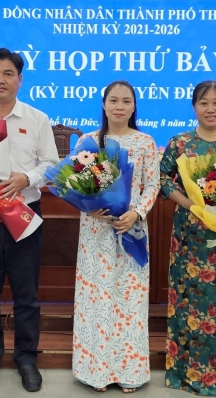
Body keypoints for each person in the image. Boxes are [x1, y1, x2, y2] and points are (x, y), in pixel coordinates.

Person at [0, 48, 58, 393]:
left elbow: (51, 165)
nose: (0, 80)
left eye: (7, 74)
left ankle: (26, 359)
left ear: (20, 79)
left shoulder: (36, 118)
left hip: (24, 215)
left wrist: (26, 178)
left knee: (26, 293)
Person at [160, 80, 216, 396]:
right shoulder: (179, 143)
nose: (210, 109)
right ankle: (186, 374)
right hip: (190, 236)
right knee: (190, 303)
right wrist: (190, 204)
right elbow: (162, 179)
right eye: (203, 102)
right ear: (194, 107)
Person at [72, 81, 160, 393]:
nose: (119, 106)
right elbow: (76, 184)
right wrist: (89, 206)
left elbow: (152, 185)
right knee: (96, 301)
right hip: (96, 232)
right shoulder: (87, 141)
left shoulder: (145, 142)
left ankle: (129, 372)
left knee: (129, 301)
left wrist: (137, 212)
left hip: (131, 229)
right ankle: (96, 372)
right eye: (113, 100)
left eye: (126, 101)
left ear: (134, 106)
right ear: (104, 104)